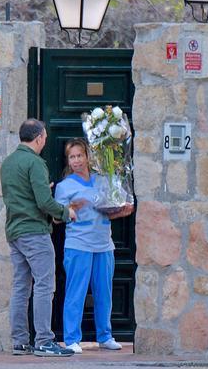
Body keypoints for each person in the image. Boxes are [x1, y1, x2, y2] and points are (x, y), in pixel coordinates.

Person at [0, 119, 77, 357]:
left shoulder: (9, 163)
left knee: (21, 287)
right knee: (44, 285)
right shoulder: (35, 162)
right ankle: (44, 340)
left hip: (15, 231)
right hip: (34, 233)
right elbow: (44, 202)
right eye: (44, 136)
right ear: (39, 137)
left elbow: (23, 195)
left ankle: (20, 342)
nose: (45, 140)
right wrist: (66, 212)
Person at [54, 138, 134, 354]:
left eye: (80, 155)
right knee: (76, 292)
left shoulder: (103, 180)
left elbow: (109, 210)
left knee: (104, 293)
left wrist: (122, 211)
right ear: (68, 161)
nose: (77, 160)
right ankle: (71, 338)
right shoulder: (64, 187)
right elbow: (56, 219)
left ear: (88, 156)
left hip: (104, 245)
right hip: (78, 245)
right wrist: (70, 206)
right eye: (72, 157)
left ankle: (105, 336)